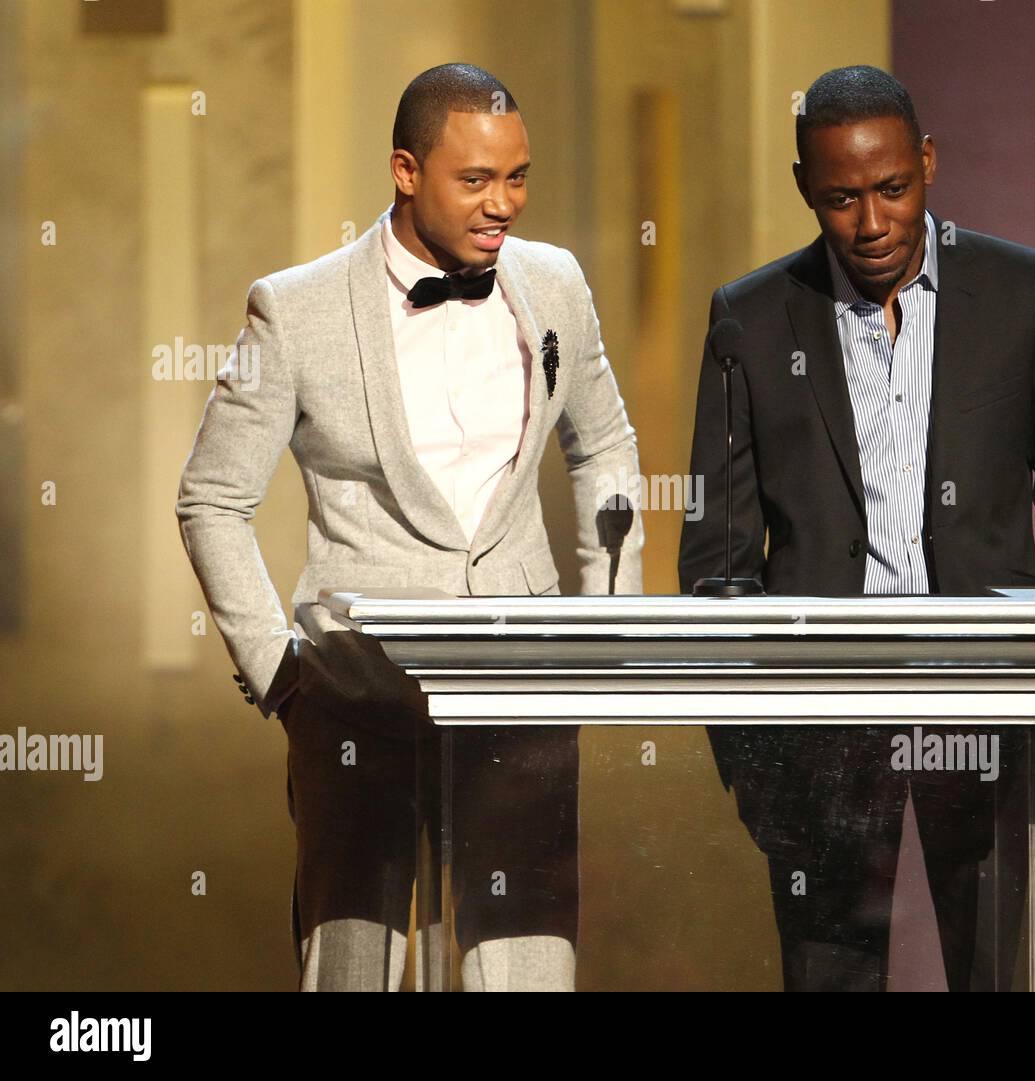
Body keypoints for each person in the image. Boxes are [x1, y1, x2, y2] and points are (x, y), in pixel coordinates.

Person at [678, 65, 1035, 991]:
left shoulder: (1022, 288)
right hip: (824, 721)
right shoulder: (749, 320)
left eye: (891, 190)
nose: (870, 224)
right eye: (840, 199)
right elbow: (717, 563)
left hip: (991, 701)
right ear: (804, 189)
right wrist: (746, 747)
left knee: (1009, 976)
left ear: (927, 164)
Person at [177, 63, 643, 991]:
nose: (501, 202)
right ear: (404, 169)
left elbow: (608, 448)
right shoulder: (297, 308)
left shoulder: (553, 283)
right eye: (474, 180)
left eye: (517, 176)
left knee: (528, 971)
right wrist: (281, 672)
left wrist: (603, 625)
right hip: (356, 697)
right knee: (350, 967)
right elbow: (211, 497)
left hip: (521, 696)